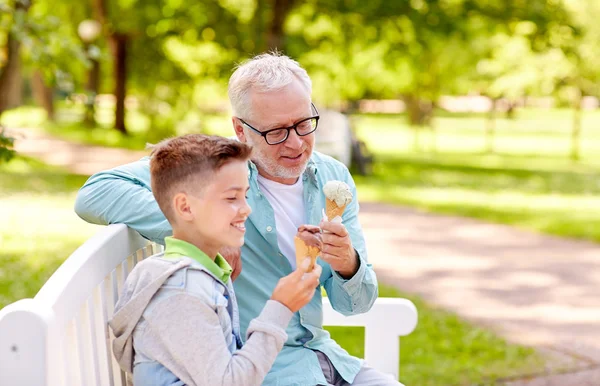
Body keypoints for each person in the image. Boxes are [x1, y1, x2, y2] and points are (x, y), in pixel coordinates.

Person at [76, 52, 402, 385]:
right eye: (276, 131)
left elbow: (356, 305)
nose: (297, 143)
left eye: (304, 124)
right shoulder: (214, 167)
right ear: (240, 129)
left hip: (324, 357)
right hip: (260, 368)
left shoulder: (333, 176)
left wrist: (348, 263)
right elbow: (96, 192)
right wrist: (208, 232)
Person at [109, 134, 322, 386]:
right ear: (186, 207)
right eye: (232, 198)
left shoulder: (203, 275)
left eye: (245, 195)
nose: (246, 208)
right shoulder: (181, 291)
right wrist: (281, 306)